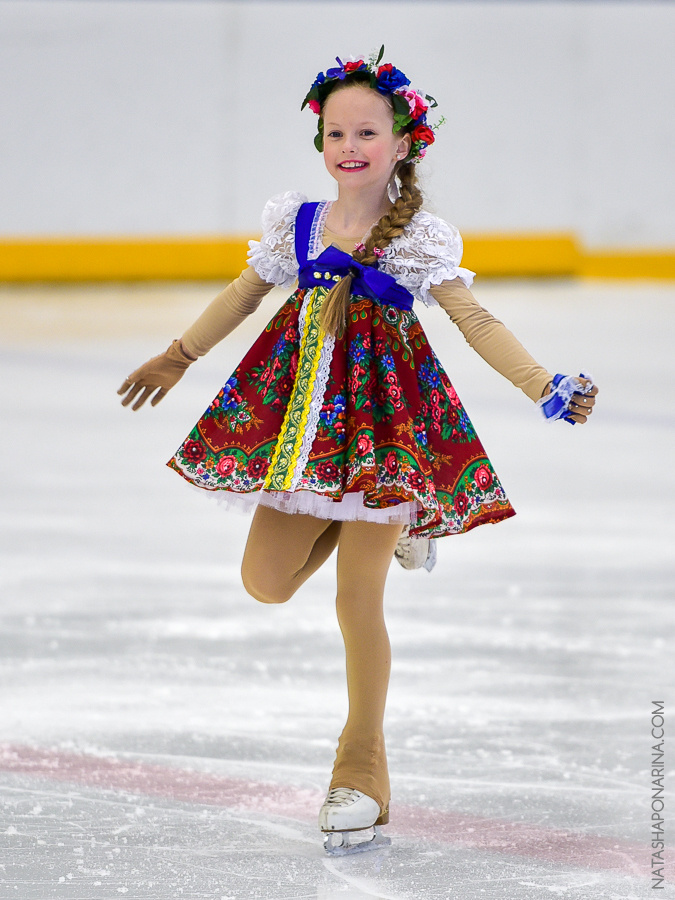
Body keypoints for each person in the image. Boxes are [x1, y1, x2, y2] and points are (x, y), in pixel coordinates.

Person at [118, 49, 598, 854]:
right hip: (302, 425)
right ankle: (407, 527)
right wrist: (177, 354)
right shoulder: (295, 224)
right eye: (335, 130)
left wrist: (540, 384)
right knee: (264, 583)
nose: (349, 144)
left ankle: (360, 769)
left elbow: (474, 321)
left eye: (366, 131)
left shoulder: (418, 238)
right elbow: (244, 294)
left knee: (355, 602)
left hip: (383, 432)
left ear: (401, 141)